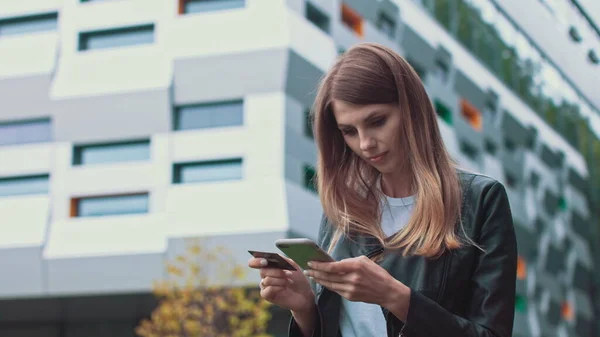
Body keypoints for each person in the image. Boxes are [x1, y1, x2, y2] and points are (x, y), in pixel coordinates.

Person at [248, 42, 517, 337]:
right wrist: (305, 309)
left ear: (412, 110)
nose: (365, 144)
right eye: (349, 131)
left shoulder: (479, 201)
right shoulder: (342, 212)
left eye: (377, 121)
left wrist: (396, 298)